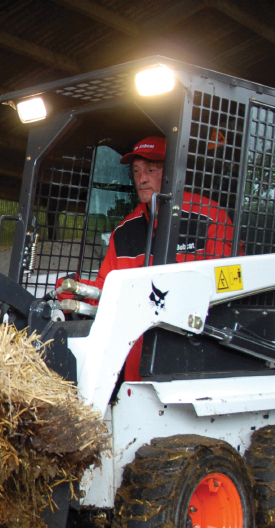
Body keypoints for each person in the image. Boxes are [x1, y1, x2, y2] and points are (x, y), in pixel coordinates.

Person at [85, 135, 240, 379]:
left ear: (171, 173)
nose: (141, 179)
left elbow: (231, 286)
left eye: (151, 169)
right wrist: (77, 290)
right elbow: (106, 290)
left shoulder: (210, 218)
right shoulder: (124, 232)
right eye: (136, 171)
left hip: (196, 355)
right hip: (136, 363)